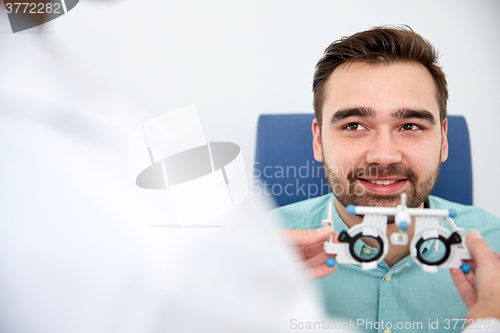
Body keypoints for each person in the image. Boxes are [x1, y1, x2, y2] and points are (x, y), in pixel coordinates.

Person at [271, 26, 500, 332]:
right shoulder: (259, 250)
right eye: (354, 126)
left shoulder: (495, 248)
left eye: (411, 126)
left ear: (444, 141)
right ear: (318, 141)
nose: (384, 155)